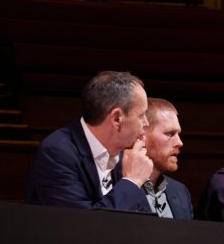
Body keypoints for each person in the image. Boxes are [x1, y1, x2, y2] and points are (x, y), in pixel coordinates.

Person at [26, 71, 153, 211]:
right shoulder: (57, 153)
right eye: (141, 115)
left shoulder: (126, 154)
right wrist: (132, 181)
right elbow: (82, 221)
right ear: (117, 119)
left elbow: (145, 218)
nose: (146, 123)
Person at [142, 98, 193, 219]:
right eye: (169, 134)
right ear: (142, 135)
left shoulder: (180, 192)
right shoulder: (121, 186)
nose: (179, 142)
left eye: (178, 134)